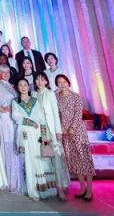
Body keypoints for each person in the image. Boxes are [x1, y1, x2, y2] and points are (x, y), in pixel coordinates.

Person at [11, 78, 58, 201]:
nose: (23, 87)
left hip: (37, 134)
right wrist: (31, 122)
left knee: (40, 159)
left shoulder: (35, 101)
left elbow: (42, 119)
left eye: (25, 85)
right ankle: (33, 190)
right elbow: (16, 117)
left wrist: (44, 136)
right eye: (20, 85)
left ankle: (44, 190)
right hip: (25, 133)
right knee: (29, 160)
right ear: (17, 88)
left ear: (28, 87)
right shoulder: (15, 102)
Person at [56, 74, 96, 201]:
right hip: (65, 133)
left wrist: (72, 128)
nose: (62, 84)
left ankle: (89, 189)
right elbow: (57, 114)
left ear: (68, 83)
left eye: (64, 82)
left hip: (78, 131)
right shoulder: (56, 97)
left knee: (84, 159)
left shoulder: (76, 97)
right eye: (59, 82)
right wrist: (61, 128)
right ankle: (82, 188)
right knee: (75, 160)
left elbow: (78, 114)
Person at [0, 65, 24, 193]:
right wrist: (1, 109)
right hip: (5, 120)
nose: (6, 74)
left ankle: (15, 179)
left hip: (13, 119)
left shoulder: (10, 86)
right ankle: (8, 180)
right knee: (8, 146)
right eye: (3, 72)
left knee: (14, 146)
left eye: (7, 72)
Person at [34, 72, 68, 200]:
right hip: (40, 131)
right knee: (46, 158)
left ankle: (61, 188)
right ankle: (50, 188)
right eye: (37, 79)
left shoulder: (50, 94)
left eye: (42, 79)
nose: (39, 82)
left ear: (46, 81)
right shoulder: (34, 94)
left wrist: (58, 131)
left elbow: (55, 113)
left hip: (51, 130)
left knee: (57, 159)